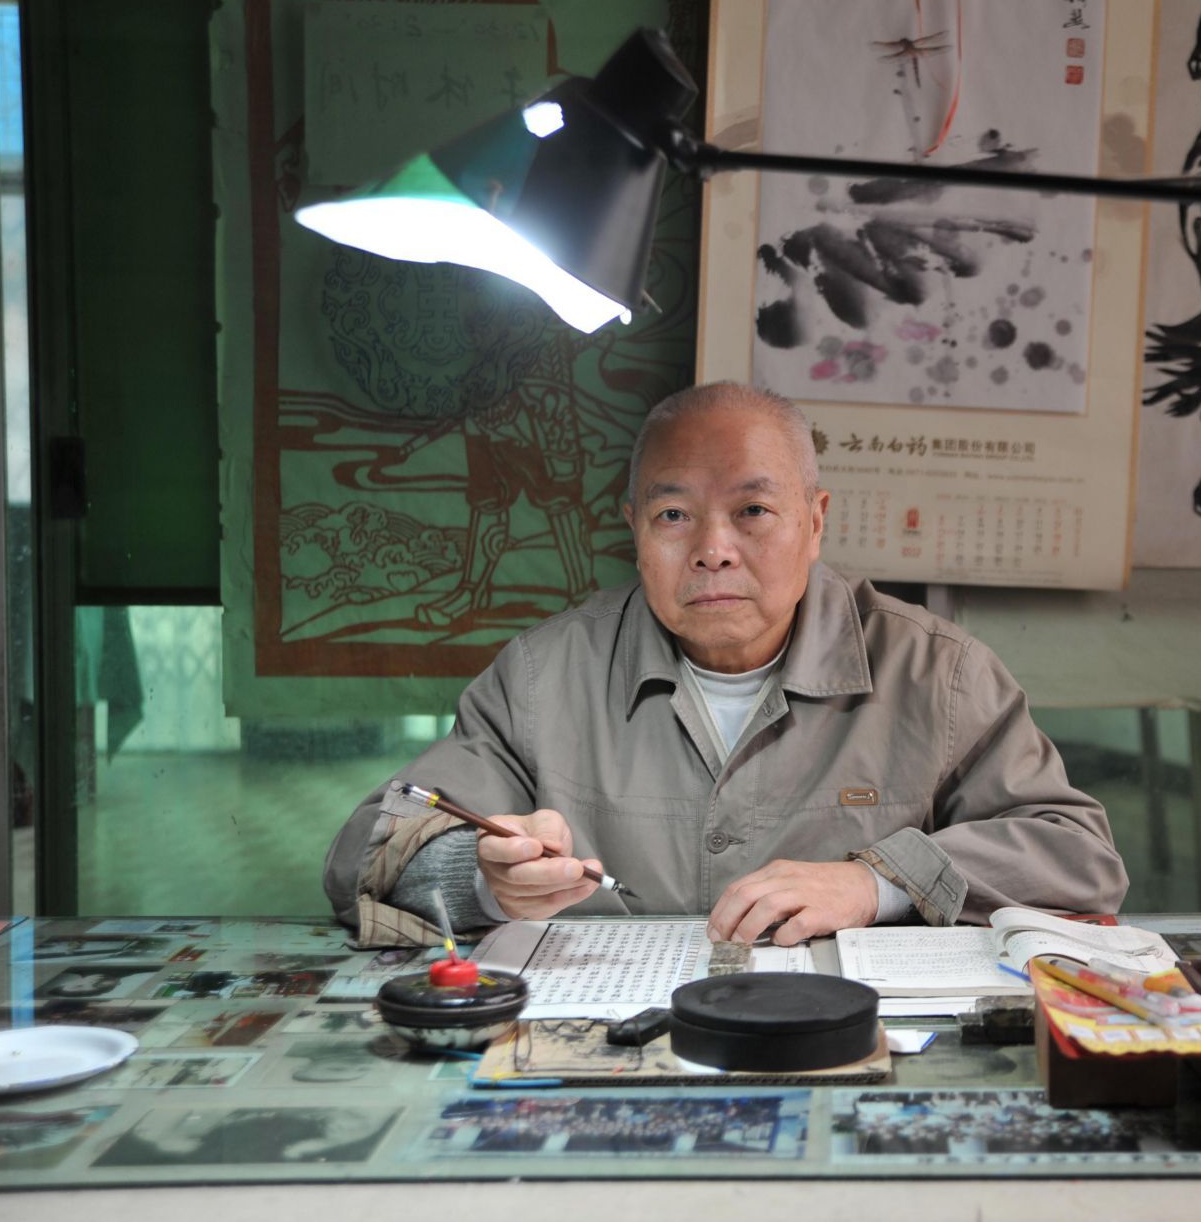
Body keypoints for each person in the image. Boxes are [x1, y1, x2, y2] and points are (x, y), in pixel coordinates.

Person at [323, 383, 1127, 947]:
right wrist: (482, 879)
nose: (713, 550)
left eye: (754, 511)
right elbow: (366, 850)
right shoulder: (544, 676)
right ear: (634, 528)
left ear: (815, 521)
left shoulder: (936, 673)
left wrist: (875, 883)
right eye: (674, 515)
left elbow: (1076, 854)